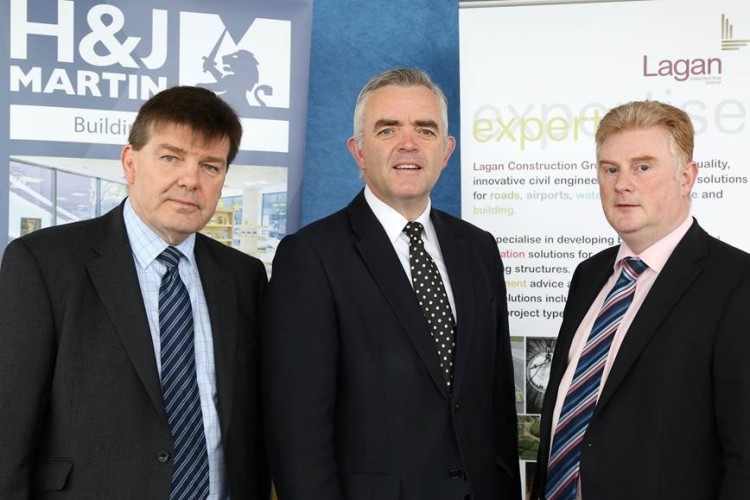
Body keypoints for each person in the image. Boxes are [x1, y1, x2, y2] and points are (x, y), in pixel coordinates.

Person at [262, 68, 521, 500]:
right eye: (387, 129)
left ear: (446, 150)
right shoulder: (311, 257)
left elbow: (496, 404)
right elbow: (297, 431)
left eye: (425, 129)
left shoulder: (478, 249)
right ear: (358, 151)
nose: (408, 143)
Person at [0, 86, 270, 499]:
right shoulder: (44, 262)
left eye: (210, 166)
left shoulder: (244, 276)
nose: (190, 180)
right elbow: (10, 425)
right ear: (130, 162)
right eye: (170, 157)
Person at [532, 100, 750, 500]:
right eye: (610, 169)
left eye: (643, 167)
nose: (622, 184)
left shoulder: (737, 284)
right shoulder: (589, 275)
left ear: (687, 178)